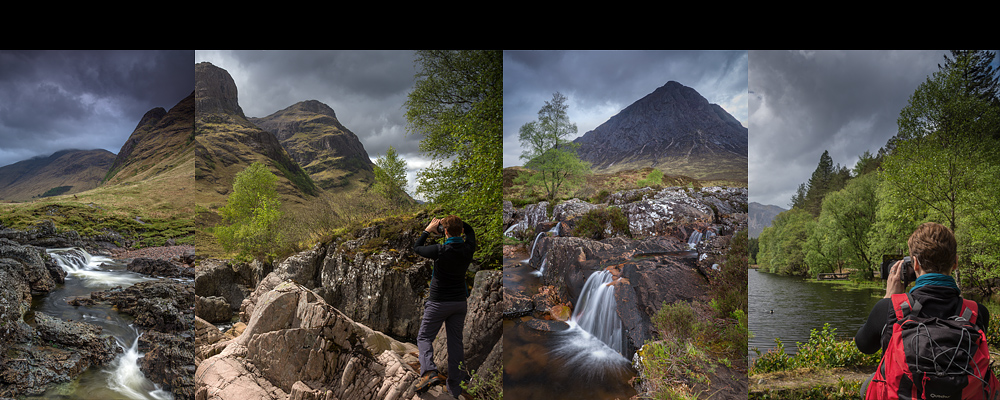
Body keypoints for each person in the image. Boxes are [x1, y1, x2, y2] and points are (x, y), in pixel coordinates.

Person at [855, 222, 996, 398]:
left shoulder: (889, 308)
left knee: (867, 387)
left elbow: (864, 345)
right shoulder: (977, 312)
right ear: (955, 263)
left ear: (914, 264)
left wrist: (888, 299)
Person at [412, 215, 476, 398]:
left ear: (444, 232)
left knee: (424, 337)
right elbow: (470, 231)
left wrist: (428, 229)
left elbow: (417, 248)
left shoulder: (439, 250)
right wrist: (457, 224)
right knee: (455, 342)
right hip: (459, 303)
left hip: (438, 302)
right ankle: (454, 387)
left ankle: (429, 372)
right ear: (461, 231)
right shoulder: (467, 249)